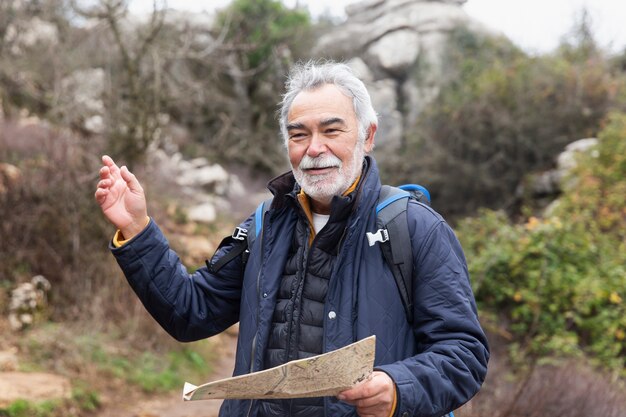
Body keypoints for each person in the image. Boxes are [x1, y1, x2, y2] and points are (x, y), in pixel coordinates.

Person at [95, 61, 489, 417]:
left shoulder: (416, 228)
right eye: (298, 135)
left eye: (331, 130)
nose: (314, 149)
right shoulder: (265, 225)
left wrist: (398, 389)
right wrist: (138, 229)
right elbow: (191, 312)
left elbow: (464, 354)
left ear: (368, 136)